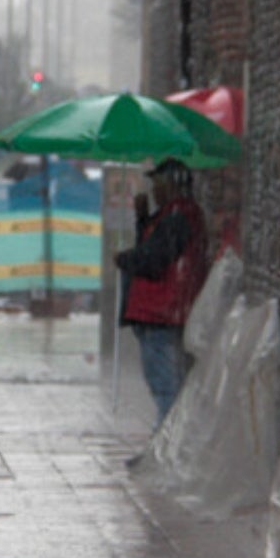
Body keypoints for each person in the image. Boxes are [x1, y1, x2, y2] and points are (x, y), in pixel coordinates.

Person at [115, 158, 209, 427]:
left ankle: (166, 445)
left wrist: (124, 259)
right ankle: (165, 443)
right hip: (157, 314)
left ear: (172, 186)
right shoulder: (169, 216)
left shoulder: (179, 217)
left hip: (161, 315)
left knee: (166, 386)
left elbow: (155, 260)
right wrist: (143, 219)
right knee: (164, 384)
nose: (154, 190)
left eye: (158, 184)